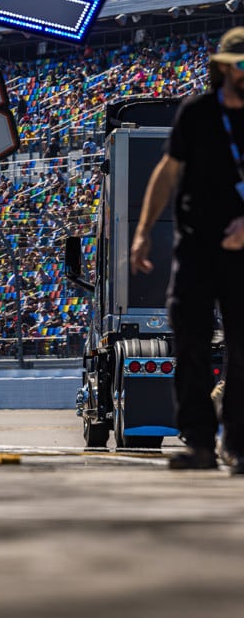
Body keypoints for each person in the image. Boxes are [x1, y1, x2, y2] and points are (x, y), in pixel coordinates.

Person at [131, 29, 244, 473]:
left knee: (241, 348)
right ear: (221, 68)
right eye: (236, 64)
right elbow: (168, 169)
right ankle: (198, 442)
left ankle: (236, 443)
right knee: (190, 342)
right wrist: (142, 231)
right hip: (196, 246)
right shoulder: (197, 113)